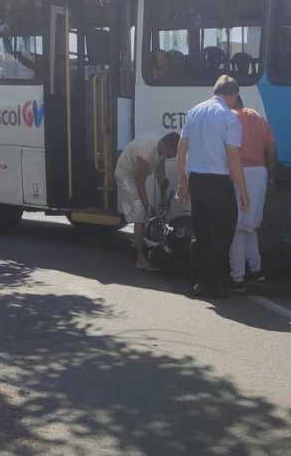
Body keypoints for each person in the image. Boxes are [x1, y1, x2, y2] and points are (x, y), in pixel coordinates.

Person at [176, 75, 249, 299]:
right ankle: (214, 283)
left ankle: (198, 282)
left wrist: (183, 182)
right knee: (222, 234)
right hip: (219, 182)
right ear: (234, 95)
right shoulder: (229, 118)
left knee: (201, 233)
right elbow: (233, 158)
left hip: (197, 180)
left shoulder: (194, 112)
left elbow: (181, 150)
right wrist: (243, 191)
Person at [228, 95, 276, 290]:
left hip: (240, 173)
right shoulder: (258, 117)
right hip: (260, 173)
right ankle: (256, 271)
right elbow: (270, 148)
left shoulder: (230, 118)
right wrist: (271, 173)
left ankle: (237, 277)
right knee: (251, 226)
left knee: (238, 227)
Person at [115, 132, 180, 270]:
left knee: (143, 213)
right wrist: (147, 206)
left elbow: (160, 174)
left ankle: (138, 242)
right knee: (139, 215)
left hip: (134, 177)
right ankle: (141, 260)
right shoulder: (146, 151)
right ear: (167, 146)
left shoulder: (161, 151)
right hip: (125, 176)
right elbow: (140, 183)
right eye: (174, 153)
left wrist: (163, 187)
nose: (174, 157)